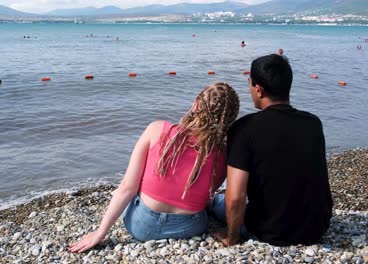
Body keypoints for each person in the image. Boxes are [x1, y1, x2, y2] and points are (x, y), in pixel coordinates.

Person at [69, 83, 240, 253]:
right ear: (230, 119)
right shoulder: (224, 153)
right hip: (191, 227)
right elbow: (208, 191)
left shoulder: (157, 129)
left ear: (196, 104)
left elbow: (128, 187)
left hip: (141, 226)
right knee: (207, 201)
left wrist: (100, 232)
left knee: (132, 185)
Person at [213, 54, 333, 246]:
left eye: (250, 84)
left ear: (259, 89)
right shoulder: (313, 123)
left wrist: (232, 237)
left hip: (271, 231)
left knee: (217, 203)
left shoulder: (244, 129)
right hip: (317, 227)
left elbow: (235, 197)